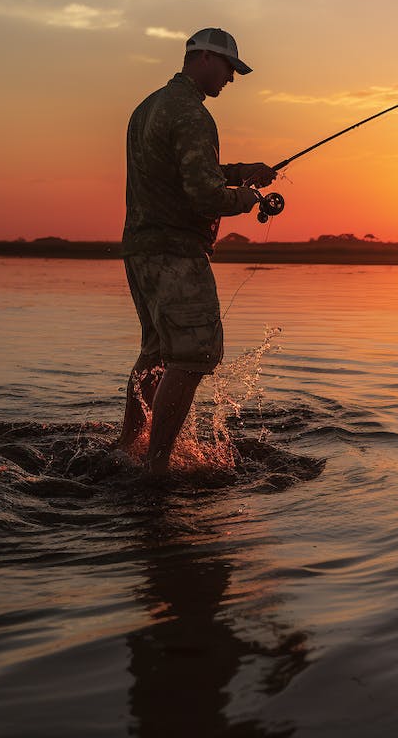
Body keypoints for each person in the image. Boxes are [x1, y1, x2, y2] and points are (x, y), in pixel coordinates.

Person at [114, 27, 277, 473]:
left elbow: (181, 169)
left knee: (154, 352)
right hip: (176, 253)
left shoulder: (148, 107)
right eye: (228, 68)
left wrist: (239, 171)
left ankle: (126, 447)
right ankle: (157, 465)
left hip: (141, 249)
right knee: (193, 355)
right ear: (203, 57)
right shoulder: (192, 114)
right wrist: (246, 198)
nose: (231, 78)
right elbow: (204, 196)